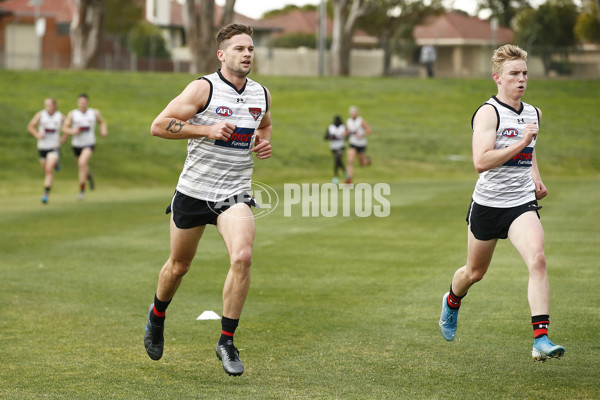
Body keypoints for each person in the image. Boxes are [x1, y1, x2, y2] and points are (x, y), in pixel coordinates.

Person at [143, 23, 272, 377]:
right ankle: (157, 316)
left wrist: (262, 141)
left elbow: (264, 124)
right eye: (239, 49)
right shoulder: (204, 88)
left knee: (242, 257)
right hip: (193, 192)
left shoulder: (261, 93)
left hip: (234, 194)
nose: (247, 54)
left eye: (250, 48)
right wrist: (206, 129)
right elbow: (159, 125)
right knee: (178, 266)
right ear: (222, 55)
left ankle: (226, 341)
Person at [438, 44, 565, 362]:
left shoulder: (533, 112)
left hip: (521, 202)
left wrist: (535, 175)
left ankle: (541, 339)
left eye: (524, 73)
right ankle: (452, 301)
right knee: (474, 272)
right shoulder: (488, 113)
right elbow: (480, 161)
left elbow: (530, 148)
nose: (521, 79)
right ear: (497, 77)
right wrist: (521, 141)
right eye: (514, 74)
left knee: (538, 259)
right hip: (488, 204)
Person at [61, 93, 107, 200]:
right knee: (82, 166)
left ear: (87, 102)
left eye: (84, 102)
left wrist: (103, 130)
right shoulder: (73, 114)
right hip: (76, 145)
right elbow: (64, 128)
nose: (82, 104)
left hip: (89, 143)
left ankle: (81, 190)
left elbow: (102, 122)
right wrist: (73, 131)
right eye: (81, 102)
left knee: (82, 163)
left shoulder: (94, 113)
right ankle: (89, 175)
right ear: (78, 103)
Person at [27, 98, 63, 204]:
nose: (48, 107)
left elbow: (66, 127)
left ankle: (46, 194)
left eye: (50, 105)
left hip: (54, 146)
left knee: (48, 170)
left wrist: (64, 137)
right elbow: (30, 126)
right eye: (46, 105)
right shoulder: (40, 115)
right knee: (45, 170)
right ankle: (55, 163)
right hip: (42, 147)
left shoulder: (60, 116)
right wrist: (37, 134)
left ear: (54, 106)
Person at [345, 106, 371, 184]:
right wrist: (343, 134)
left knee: (361, 163)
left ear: (357, 113)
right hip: (353, 143)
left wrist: (362, 135)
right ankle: (348, 179)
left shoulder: (361, 121)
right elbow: (348, 131)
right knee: (350, 161)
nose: (353, 113)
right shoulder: (348, 121)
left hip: (361, 144)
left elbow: (369, 130)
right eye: (351, 112)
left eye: (354, 112)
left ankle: (367, 161)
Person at [325, 115, 348, 184]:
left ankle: (335, 176)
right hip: (333, 147)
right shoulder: (331, 127)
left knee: (337, 159)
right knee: (338, 161)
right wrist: (331, 136)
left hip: (341, 146)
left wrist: (343, 136)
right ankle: (345, 173)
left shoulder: (343, 127)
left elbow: (347, 137)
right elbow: (325, 137)